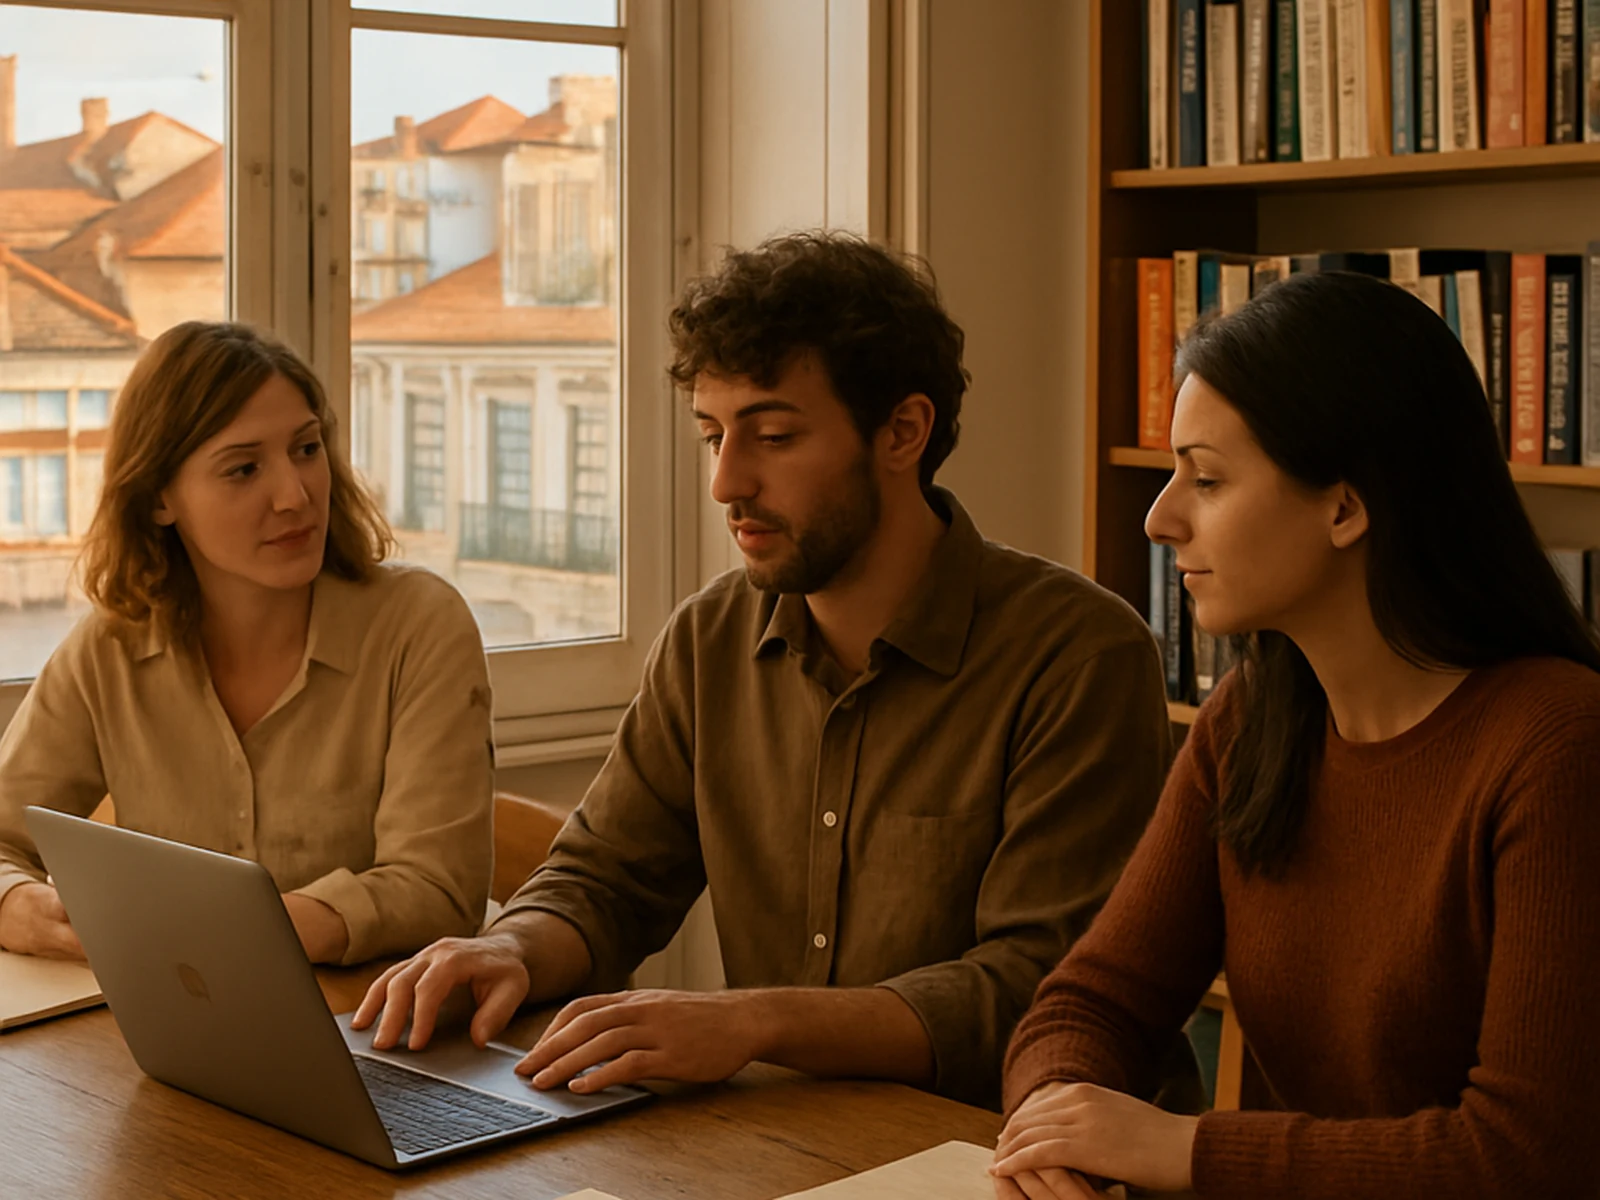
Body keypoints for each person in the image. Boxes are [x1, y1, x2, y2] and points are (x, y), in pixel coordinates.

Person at [353, 231, 1191, 1111]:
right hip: (793, 1138)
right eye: (713, 435)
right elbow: (608, 880)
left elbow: (1034, 994)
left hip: (1013, 1152)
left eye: (774, 436)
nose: (726, 482)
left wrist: (750, 1024)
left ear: (904, 431)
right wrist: (513, 949)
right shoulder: (709, 640)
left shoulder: (1079, 657)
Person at [993, 270, 1600, 1199]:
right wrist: (1057, 1133)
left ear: (1346, 508)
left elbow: (1528, 1158)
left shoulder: (1559, 746)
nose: (1160, 518)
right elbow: (1091, 1002)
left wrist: (1186, 1150)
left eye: (1207, 478)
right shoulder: (1248, 721)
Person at [0, 322, 494, 967]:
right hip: (182, 1021)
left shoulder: (420, 623)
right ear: (158, 499)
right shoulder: (111, 647)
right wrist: (15, 904)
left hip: (376, 1030)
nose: (294, 496)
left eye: (307, 449)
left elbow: (437, 890)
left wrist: (223, 931)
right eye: (243, 468)